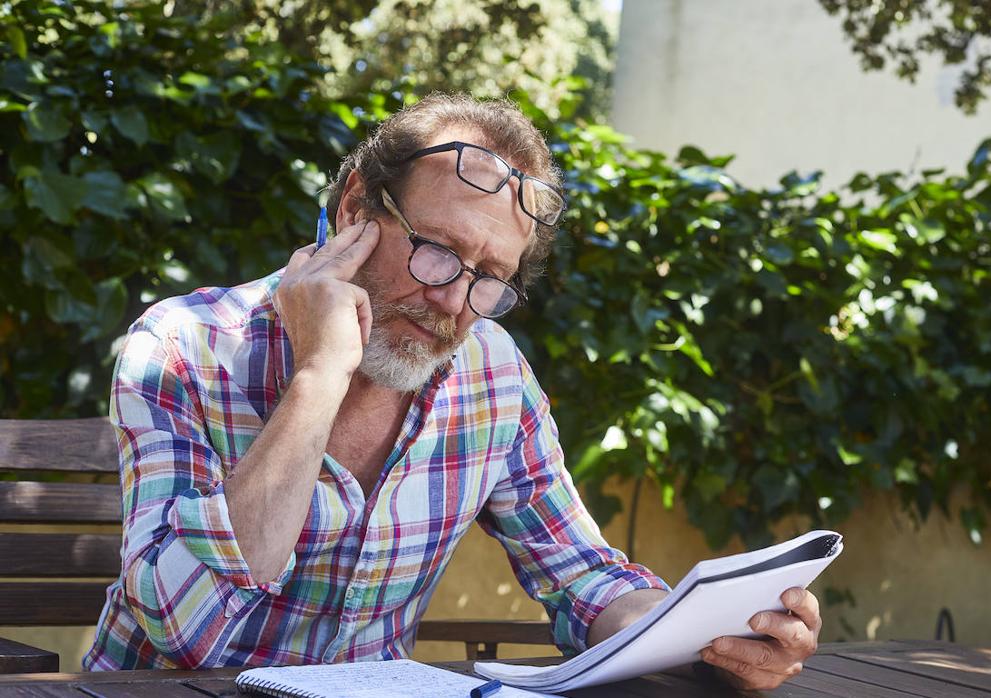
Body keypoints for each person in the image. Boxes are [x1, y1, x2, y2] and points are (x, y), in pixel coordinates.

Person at [84, 93, 820, 690]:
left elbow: (583, 577)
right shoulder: (184, 344)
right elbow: (188, 632)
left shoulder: (493, 375)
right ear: (355, 210)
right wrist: (319, 376)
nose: (456, 302)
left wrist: (714, 640)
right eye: (439, 249)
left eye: (491, 276)